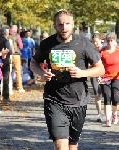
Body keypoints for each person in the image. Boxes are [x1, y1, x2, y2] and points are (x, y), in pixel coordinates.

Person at [30, 9, 105, 150]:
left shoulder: (84, 44)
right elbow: (33, 63)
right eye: (60, 24)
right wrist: (42, 73)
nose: (64, 27)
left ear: (73, 24)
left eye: (67, 24)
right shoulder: (47, 44)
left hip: (78, 100)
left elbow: (100, 69)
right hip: (54, 100)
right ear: (54, 26)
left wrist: (82, 73)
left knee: (72, 146)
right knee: (61, 146)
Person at [100, 32, 119, 127]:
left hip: (117, 77)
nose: (110, 42)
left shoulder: (118, 51)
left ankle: (114, 114)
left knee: (115, 99)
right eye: (108, 40)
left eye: (111, 40)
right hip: (105, 78)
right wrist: (98, 76)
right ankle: (108, 118)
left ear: (115, 41)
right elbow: (98, 65)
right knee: (107, 98)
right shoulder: (102, 52)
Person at [90, 33, 104, 122]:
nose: (95, 43)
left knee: (107, 95)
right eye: (93, 42)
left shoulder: (105, 50)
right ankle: (99, 114)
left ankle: (109, 113)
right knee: (97, 93)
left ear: (101, 41)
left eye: (96, 42)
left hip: (105, 74)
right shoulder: (91, 50)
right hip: (94, 73)